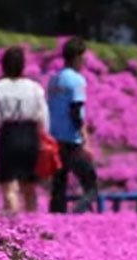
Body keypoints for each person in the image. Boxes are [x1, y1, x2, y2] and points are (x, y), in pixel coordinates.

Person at [0, 47, 50, 213]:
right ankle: (32, 223)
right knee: (29, 186)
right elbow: (43, 116)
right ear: (23, 66)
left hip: (8, 134)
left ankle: (13, 224)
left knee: (9, 186)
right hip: (30, 135)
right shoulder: (35, 87)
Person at [47, 38, 99, 214]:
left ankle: (56, 221)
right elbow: (75, 112)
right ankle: (75, 215)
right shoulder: (77, 80)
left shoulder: (54, 80)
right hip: (72, 140)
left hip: (54, 139)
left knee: (59, 186)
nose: (86, 60)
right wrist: (85, 141)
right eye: (84, 57)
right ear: (77, 57)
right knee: (91, 187)